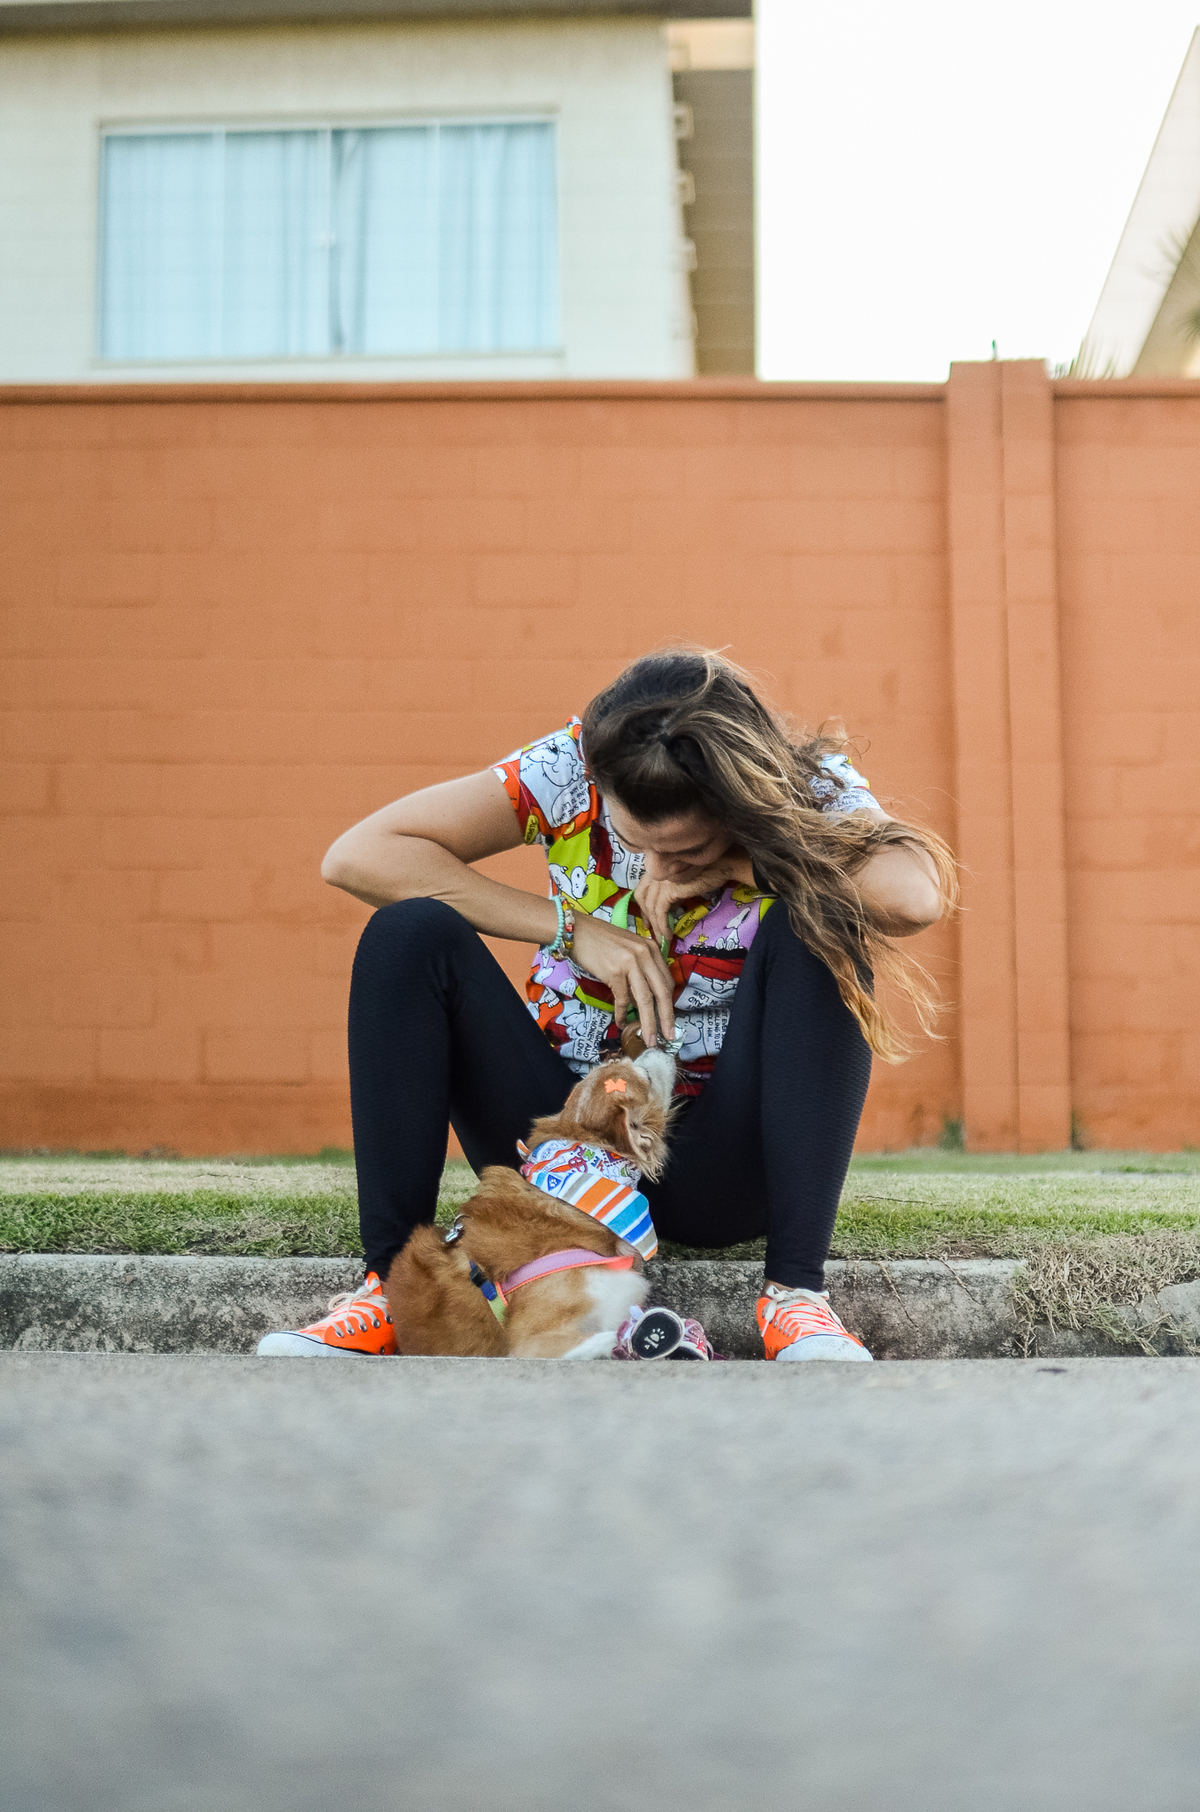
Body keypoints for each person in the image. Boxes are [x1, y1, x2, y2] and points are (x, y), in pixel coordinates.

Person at [257, 649, 956, 1361]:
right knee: (409, 931)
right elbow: (358, 855)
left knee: (815, 926)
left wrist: (751, 864)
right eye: (634, 842)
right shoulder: (567, 768)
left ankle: (796, 1300)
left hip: (723, 1165)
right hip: (561, 1151)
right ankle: (388, 1291)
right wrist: (571, 928)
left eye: (687, 849)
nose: (657, 870)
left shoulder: (799, 786)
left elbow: (914, 896)